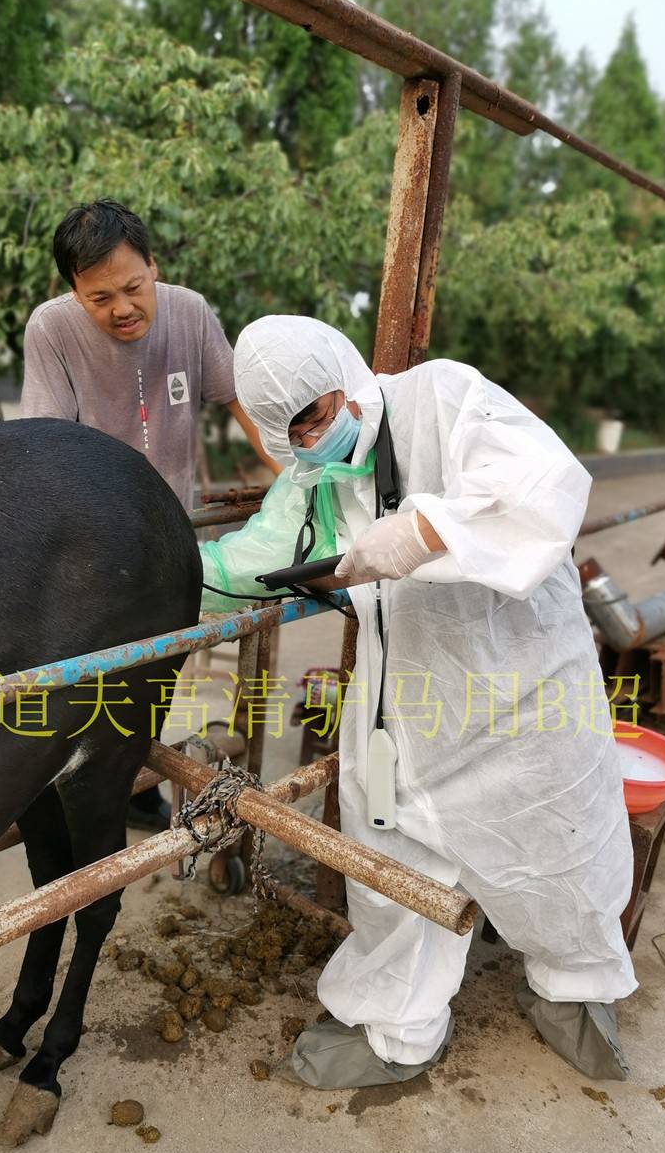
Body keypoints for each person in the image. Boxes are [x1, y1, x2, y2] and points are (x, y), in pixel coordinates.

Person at [199, 315, 637, 1088]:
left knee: (561, 844)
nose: (314, 433)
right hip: (406, 705)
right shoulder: (314, 479)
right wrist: (167, 566)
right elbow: (258, 559)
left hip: (520, 689)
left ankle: (577, 989)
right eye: (295, 427)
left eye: (321, 408)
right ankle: (395, 1026)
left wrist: (426, 530)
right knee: (392, 861)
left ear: (346, 372)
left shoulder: (444, 397)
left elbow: (541, 484)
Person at [22, 198, 279, 829]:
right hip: (92, 542)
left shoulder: (189, 312)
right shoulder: (50, 329)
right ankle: (75, 786)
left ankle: (134, 782)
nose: (122, 308)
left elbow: (240, 401)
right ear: (73, 292)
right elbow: (47, 443)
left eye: (134, 287)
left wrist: (295, 480)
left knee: (159, 668)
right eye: (100, 296)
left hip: (171, 537)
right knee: (95, 675)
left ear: (153, 268)